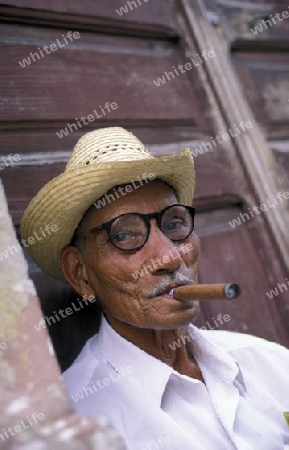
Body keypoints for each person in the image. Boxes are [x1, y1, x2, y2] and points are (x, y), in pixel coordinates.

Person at [21, 127, 289, 450]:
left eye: (174, 225)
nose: (169, 256)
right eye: (125, 235)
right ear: (81, 275)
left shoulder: (271, 364)